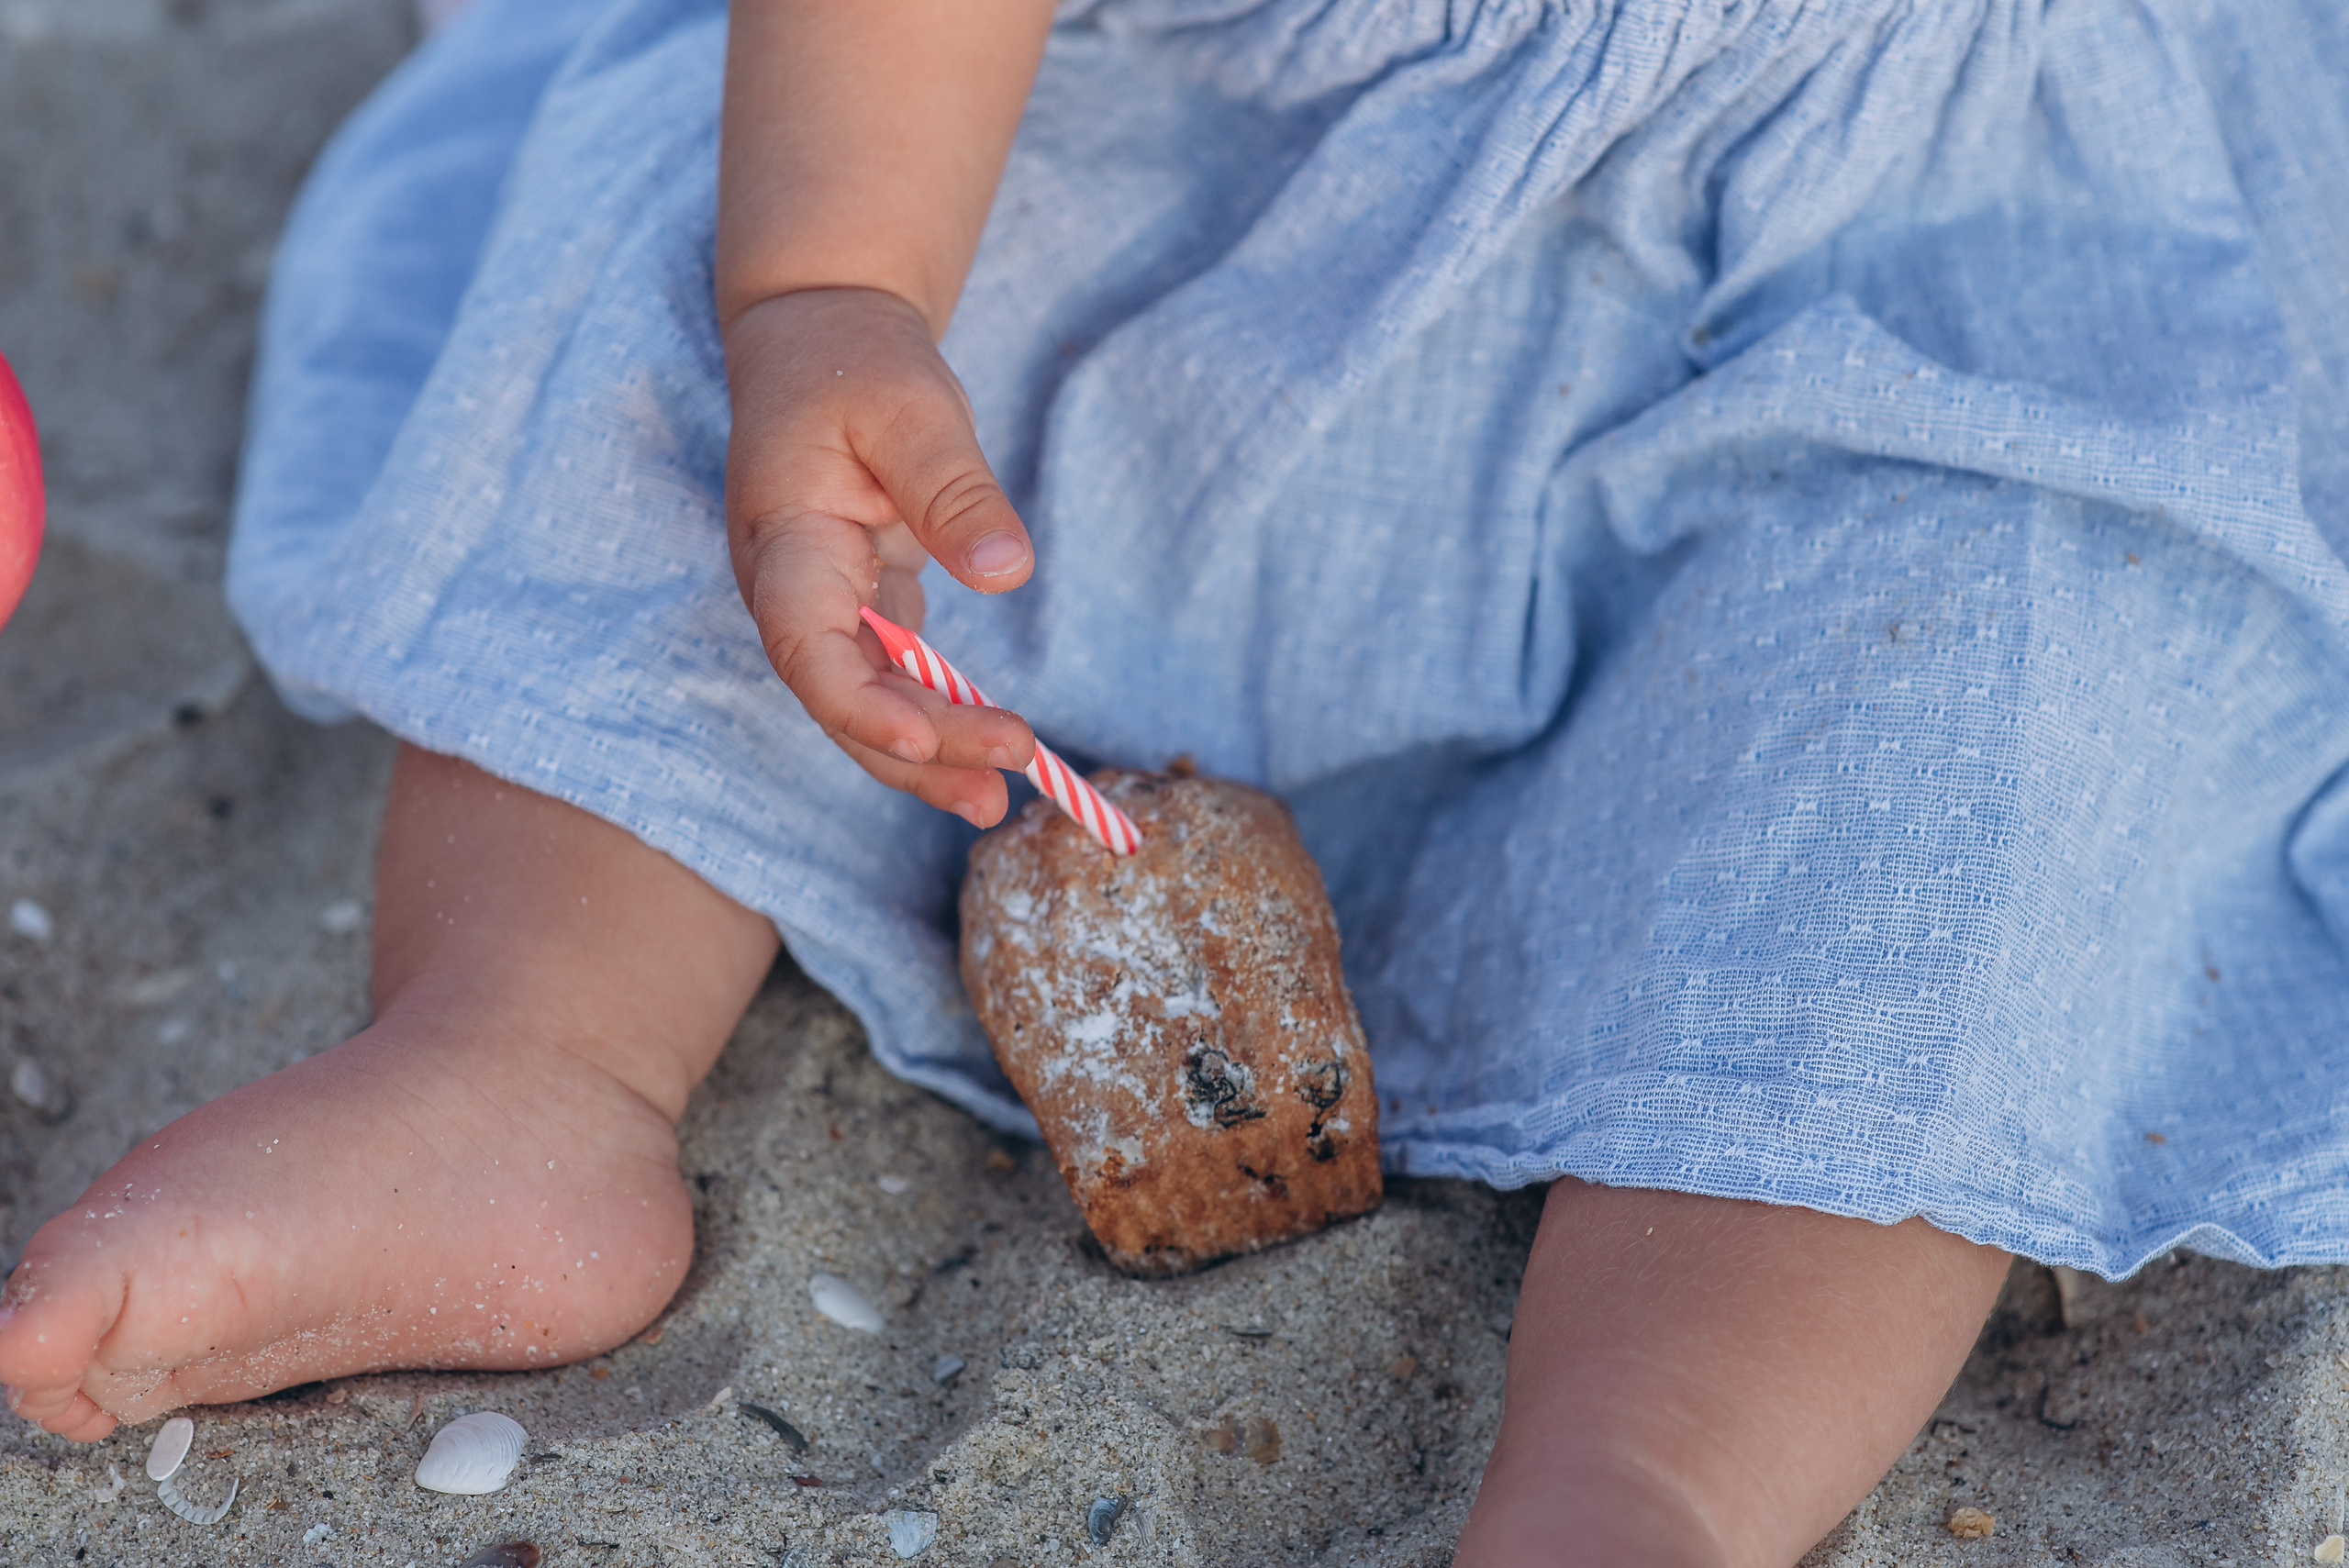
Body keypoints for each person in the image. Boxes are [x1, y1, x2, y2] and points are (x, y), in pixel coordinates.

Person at [8, 0, 2349, 1560]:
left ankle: (1645, 1478)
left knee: (1996, 745)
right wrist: (830, 283)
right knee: (706, 366)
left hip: (1938, 255)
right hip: (1241, 149)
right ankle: (522, 1049)